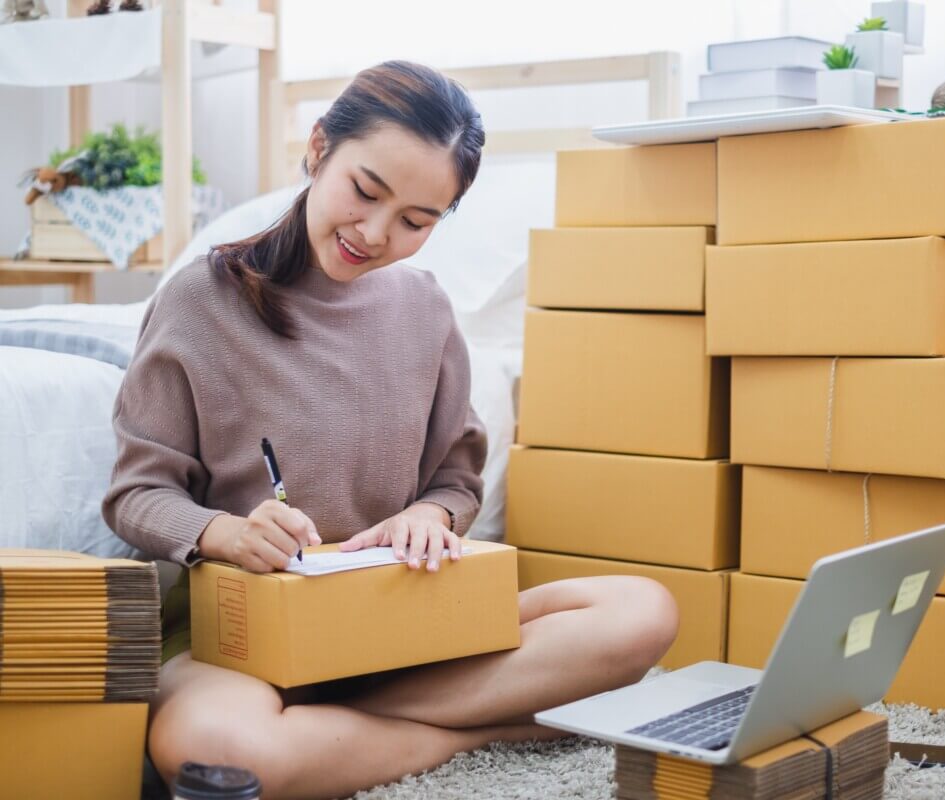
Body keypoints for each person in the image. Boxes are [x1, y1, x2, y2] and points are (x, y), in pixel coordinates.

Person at [102, 60, 679, 800]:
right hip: (244, 638)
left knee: (642, 612)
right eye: (364, 192)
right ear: (318, 150)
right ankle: (488, 729)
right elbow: (136, 494)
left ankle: (344, 721)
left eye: (416, 220)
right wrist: (226, 533)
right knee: (219, 749)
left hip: (397, 630)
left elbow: (455, 478)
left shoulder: (425, 309)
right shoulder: (201, 298)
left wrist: (429, 515)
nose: (375, 234)